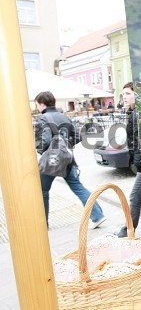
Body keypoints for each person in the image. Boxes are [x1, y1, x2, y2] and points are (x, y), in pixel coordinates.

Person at [34, 91, 106, 229]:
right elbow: (78, 136)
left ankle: (44, 224)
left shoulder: (42, 118)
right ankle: (97, 215)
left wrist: (43, 151)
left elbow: (45, 141)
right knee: (78, 187)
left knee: (42, 191)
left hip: (51, 162)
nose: (37, 107)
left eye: (37, 104)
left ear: (42, 103)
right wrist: (64, 147)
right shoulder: (64, 117)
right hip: (67, 159)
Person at [116, 82, 141, 237]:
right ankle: (128, 230)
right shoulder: (133, 112)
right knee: (135, 196)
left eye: (128, 94)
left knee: (134, 196)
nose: (124, 98)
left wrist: (139, 163)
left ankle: (127, 231)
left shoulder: (138, 112)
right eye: (123, 95)